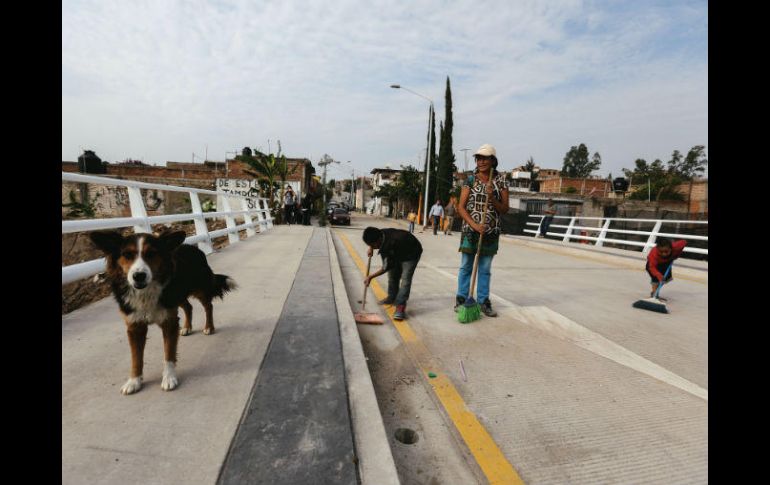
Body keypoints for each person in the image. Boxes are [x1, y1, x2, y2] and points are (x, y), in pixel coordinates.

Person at [454, 144, 509, 317]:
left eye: (485, 158)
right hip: (471, 231)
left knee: (484, 268)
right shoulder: (470, 180)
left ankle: (483, 301)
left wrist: (492, 197)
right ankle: (462, 299)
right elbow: (461, 208)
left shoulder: (501, 181)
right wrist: (474, 225)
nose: (481, 161)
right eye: (478, 158)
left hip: (491, 232)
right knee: (466, 266)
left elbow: (505, 209)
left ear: (493, 160)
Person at [362, 226, 423, 321]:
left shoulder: (390, 243)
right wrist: (371, 247)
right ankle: (392, 297)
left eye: (373, 245)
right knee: (392, 275)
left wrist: (370, 277)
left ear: (378, 240)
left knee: (405, 279)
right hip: (397, 251)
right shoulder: (380, 234)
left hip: (411, 253)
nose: (374, 248)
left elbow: (385, 267)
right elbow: (389, 265)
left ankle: (400, 306)